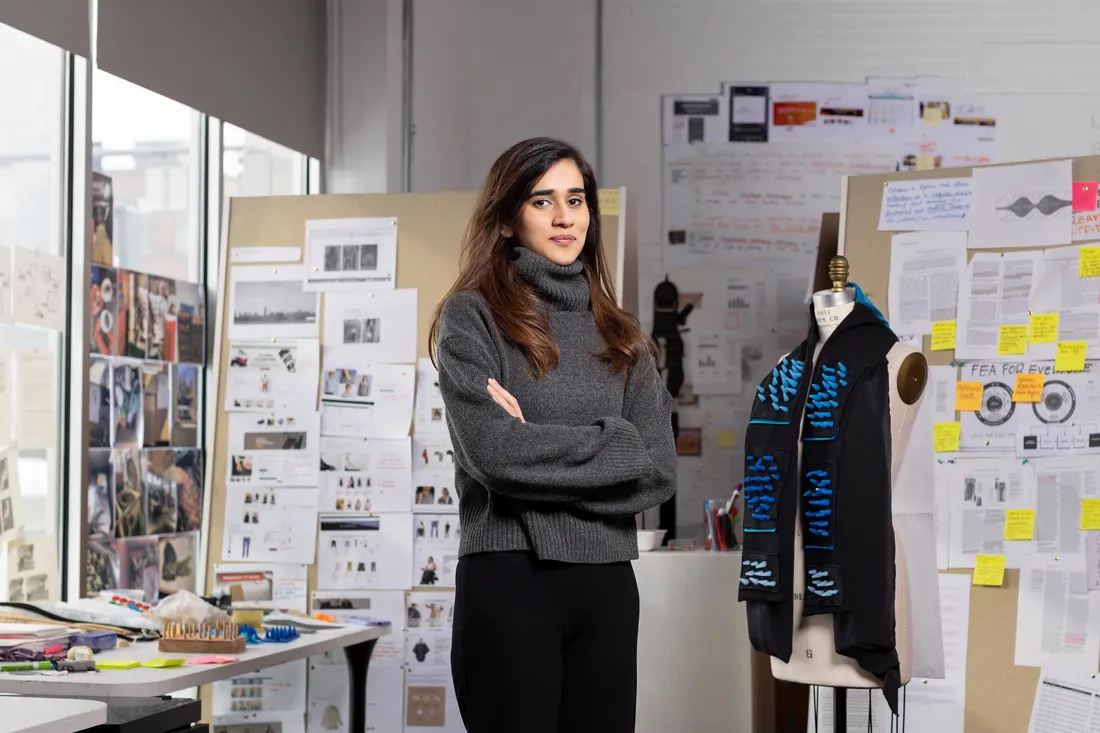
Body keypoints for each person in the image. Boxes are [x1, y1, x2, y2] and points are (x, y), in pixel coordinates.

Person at [429, 137, 676, 733]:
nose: (565, 217)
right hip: (511, 579)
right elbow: (494, 454)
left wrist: (534, 445)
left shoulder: (623, 334)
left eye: (577, 199)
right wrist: (615, 446)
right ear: (510, 218)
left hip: (609, 588)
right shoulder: (473, 317)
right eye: (543, 202)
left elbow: (658, 469)